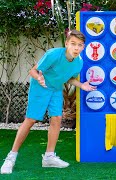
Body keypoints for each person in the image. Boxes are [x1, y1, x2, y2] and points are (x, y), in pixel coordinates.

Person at [1, 30, 96, 174]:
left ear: (83, 47)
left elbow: (68, 78)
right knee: (31, 120)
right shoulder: (53, 54)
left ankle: (49, 157)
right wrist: (39, 78)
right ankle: (11, 157)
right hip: (41, 87)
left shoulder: (79, 63)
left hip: (56, 89)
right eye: (73, 44)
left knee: (57, 119)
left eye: (80, 45)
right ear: (66, 44)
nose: (76, 48)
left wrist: (82, 85)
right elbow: (33, 71)